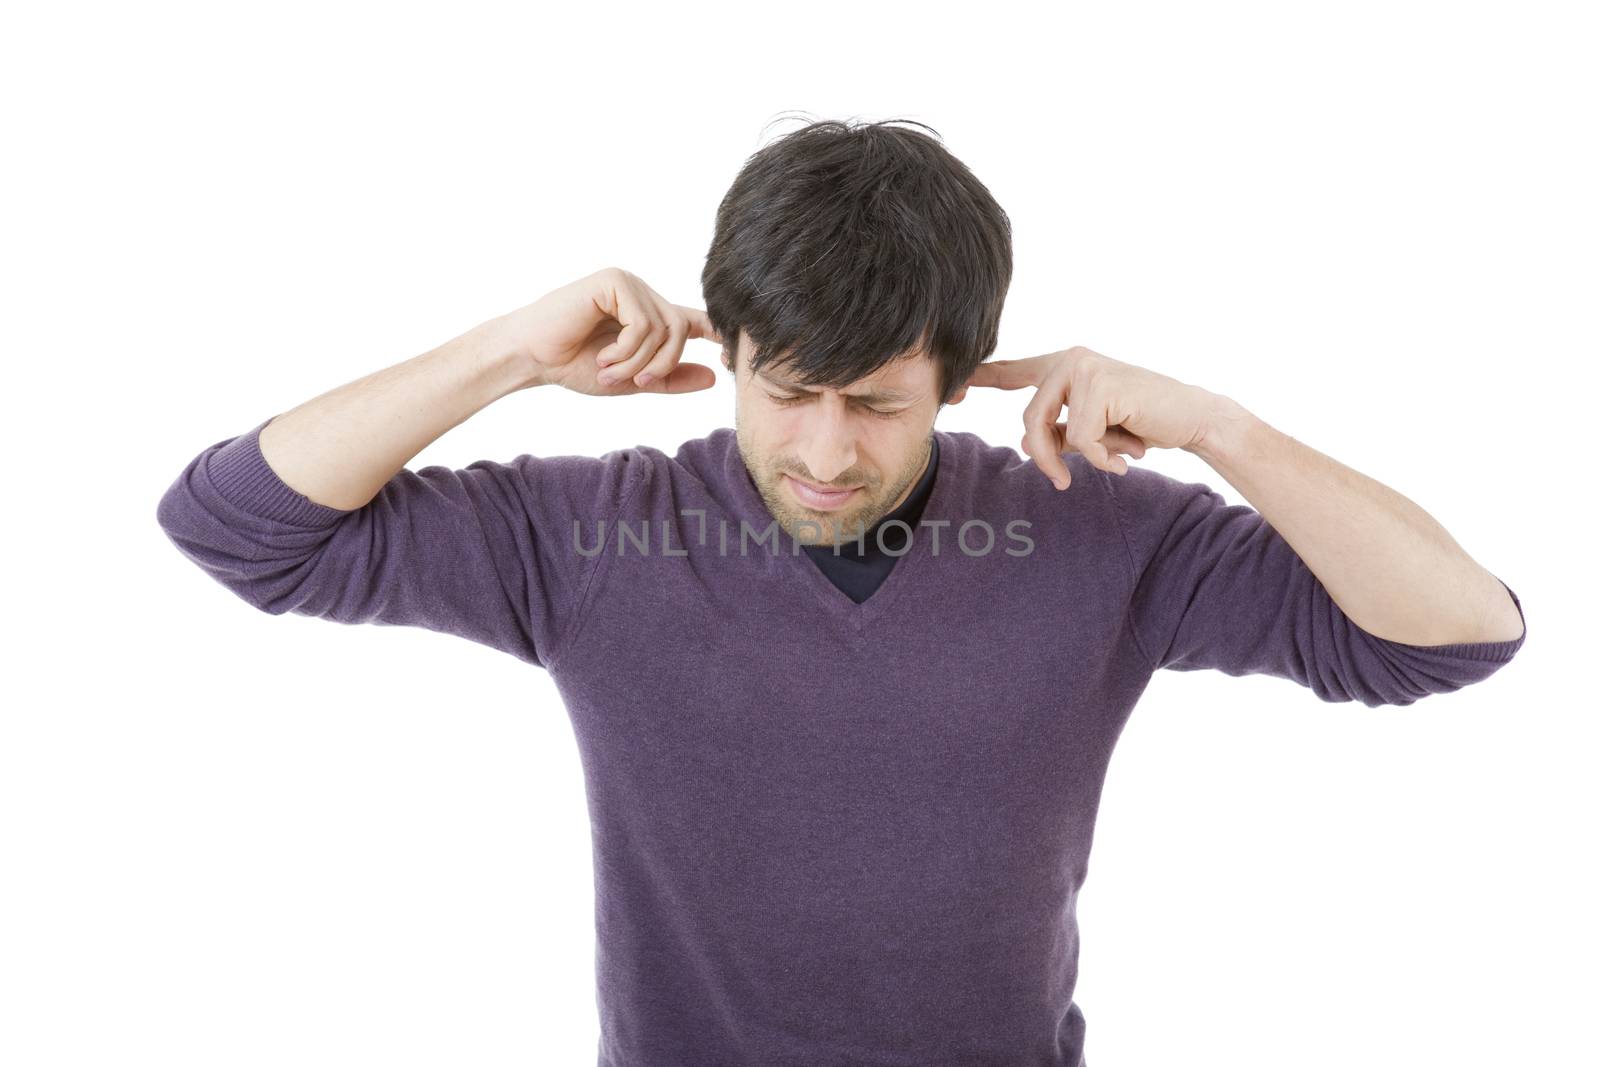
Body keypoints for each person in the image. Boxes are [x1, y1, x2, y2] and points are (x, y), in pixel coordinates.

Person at [155, 118, 1526, 1067]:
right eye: (788, 391)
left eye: (875, 404)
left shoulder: (1103, 535)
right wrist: (513, 353)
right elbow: (241, 529)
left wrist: (1224, 429)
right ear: (724, 348)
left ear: (961, 376)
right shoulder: (592, 535)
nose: (823, 453)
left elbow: (1455, 634)